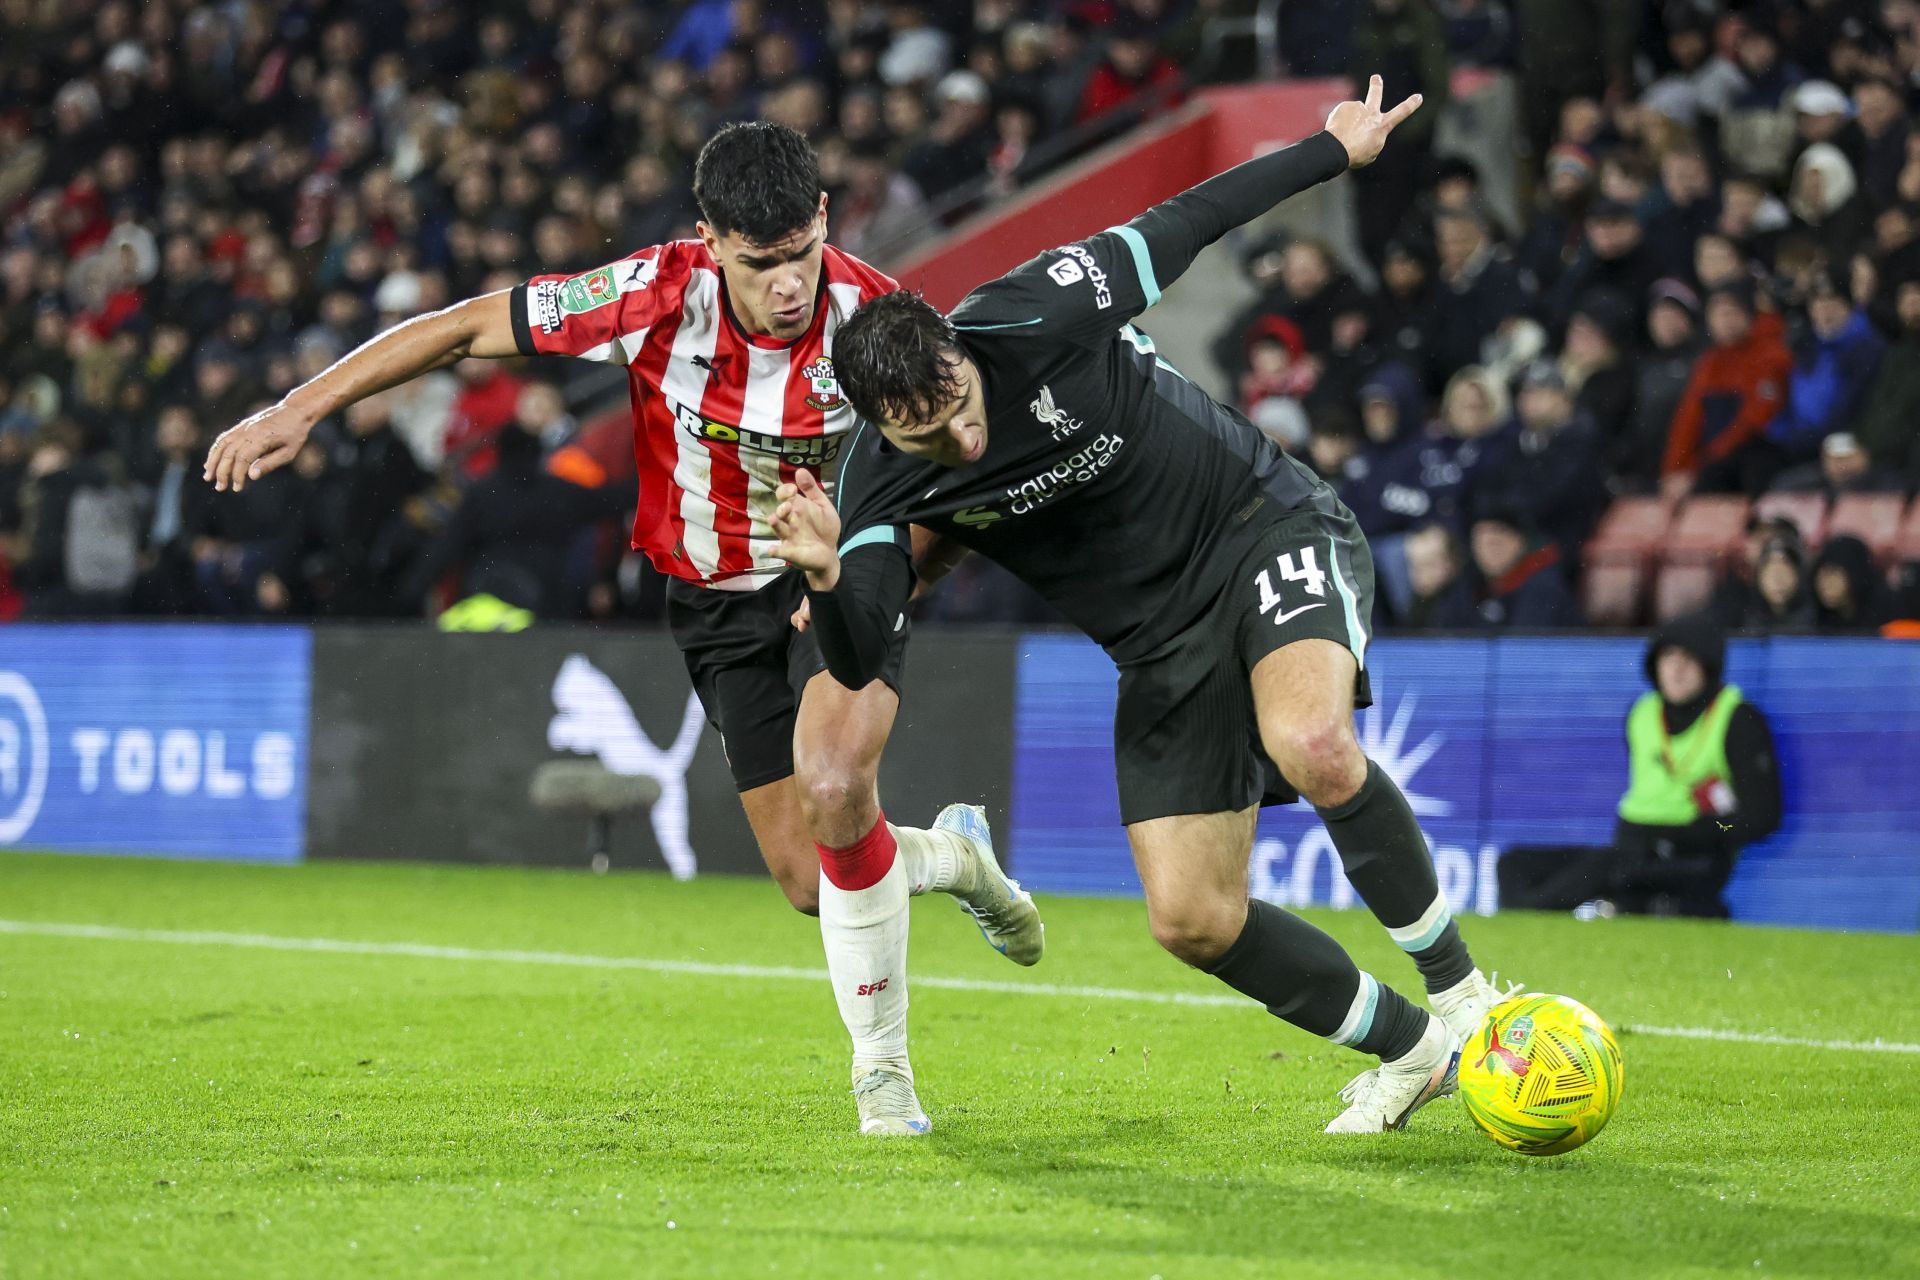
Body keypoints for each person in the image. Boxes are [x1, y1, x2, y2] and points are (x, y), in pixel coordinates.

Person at [203, 121, 1044, 1138]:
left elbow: (958, 461)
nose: (786, 285)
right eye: (758, 262)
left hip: (840, 577)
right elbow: (468, 328)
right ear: (711, 238)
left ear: (826, 217)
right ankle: (955, 856)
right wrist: (303, 406)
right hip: (709, 596)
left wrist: (876, 570)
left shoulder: (876, 319)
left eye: (800, 255)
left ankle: (884, 1076)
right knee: (808, 882)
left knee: (835, 788)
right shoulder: (654, 291)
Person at [782, 80, 1516, 1135]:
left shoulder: (1040, 308)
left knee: (1312, 738)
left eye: (958, 404)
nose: (962, 440)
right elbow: (857, 655)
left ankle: (1462, 989)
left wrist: (1329, 151)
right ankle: (1416, 1048)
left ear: (955, 348)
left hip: (1260, 527)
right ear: (877, 429)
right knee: (1192, 919)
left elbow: (1186, 221)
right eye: (927, 434)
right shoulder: (877, 484)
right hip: (1158, 647)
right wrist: (821, 576)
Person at [1500, 614, 1781, 917]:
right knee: (1514, 863)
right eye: (1668, 657)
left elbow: (1762, 817)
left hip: (1694, 853)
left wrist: (1701, 832)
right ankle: (1636, 906)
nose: (1676, 669)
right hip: (1634, 845)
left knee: (1607, 869)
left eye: (1688, 658)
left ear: (1708, 666)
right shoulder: (1642, 713)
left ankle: (1529, 918)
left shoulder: (1738, 719)